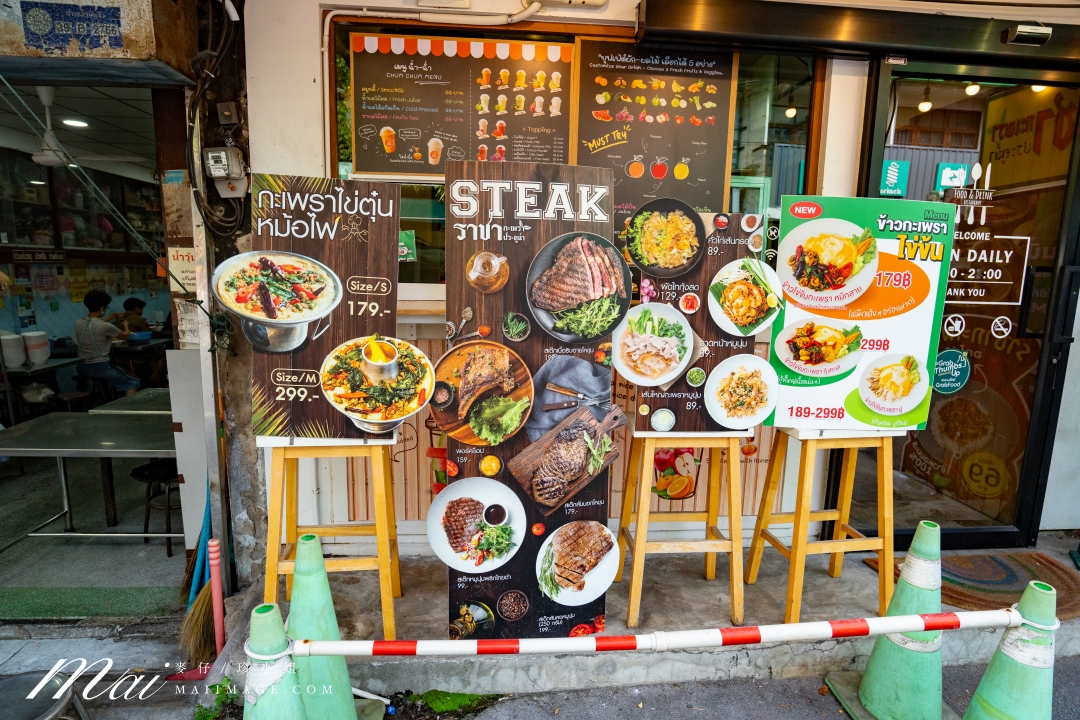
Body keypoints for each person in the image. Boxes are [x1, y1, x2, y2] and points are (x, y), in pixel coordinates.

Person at [73, 290, 139, 396]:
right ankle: (128, 411)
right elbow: (126, 335)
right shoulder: (105, 326)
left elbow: (94, 323)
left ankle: (111, 401)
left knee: (113, 378)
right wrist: (126, 324)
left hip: (81, 367)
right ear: (103, 308)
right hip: (101, 367)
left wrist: (112, 316)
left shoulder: (78, 323)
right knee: (133, 381)